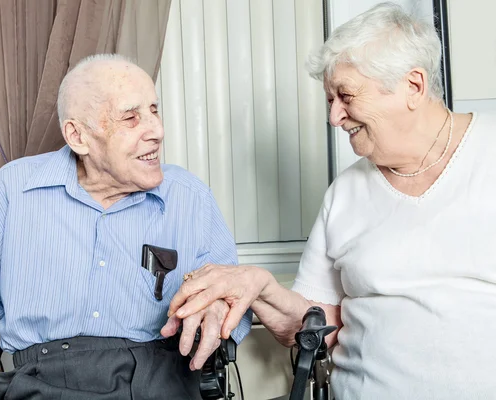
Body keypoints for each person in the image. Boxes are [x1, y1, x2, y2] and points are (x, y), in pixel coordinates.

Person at [163, 3, 496, 399]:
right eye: (329, 99)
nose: (334, 116)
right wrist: (261, 286)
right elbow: (316, 326)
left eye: (346, 96)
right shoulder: (346, 192)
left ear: (413, 86)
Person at [0, 54, 251, 399]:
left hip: (158, 380)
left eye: (154, 111)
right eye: (130, 117)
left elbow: (234, 296)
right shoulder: (15, 188)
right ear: (77, 136)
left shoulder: (190, 197)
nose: (157, 131)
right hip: (39, 381)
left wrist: (221, 310)